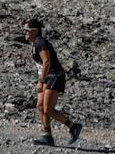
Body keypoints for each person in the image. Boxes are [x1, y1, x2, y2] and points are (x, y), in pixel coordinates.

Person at [23, 18, 83, 146]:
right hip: (46, 77)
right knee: (40, 106)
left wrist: (40, 80)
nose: (25, 34)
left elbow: (47, 62)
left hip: (54, 76)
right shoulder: (35, 44)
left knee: (48, 109)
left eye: (27, 31)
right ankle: (47, 136)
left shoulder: (40, 42)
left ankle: (73, 126)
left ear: (34, 31)